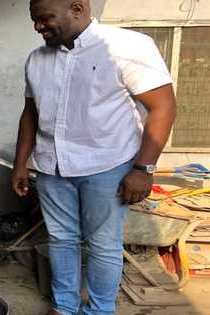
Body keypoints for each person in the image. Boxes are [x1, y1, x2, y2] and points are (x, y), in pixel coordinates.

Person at [12, 1, 177, 314]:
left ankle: (99, 311)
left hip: (107, 165)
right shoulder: (36, 59)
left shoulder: (128, 47)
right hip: (51, 166)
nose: (37, 27)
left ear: (76, 8)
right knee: (60, 239)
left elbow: (163, 106)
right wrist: (21, 163)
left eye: (44, 18)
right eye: (34, 20)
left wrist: (144, 168)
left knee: (103, 244)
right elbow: (30, 114)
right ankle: (65, 308)